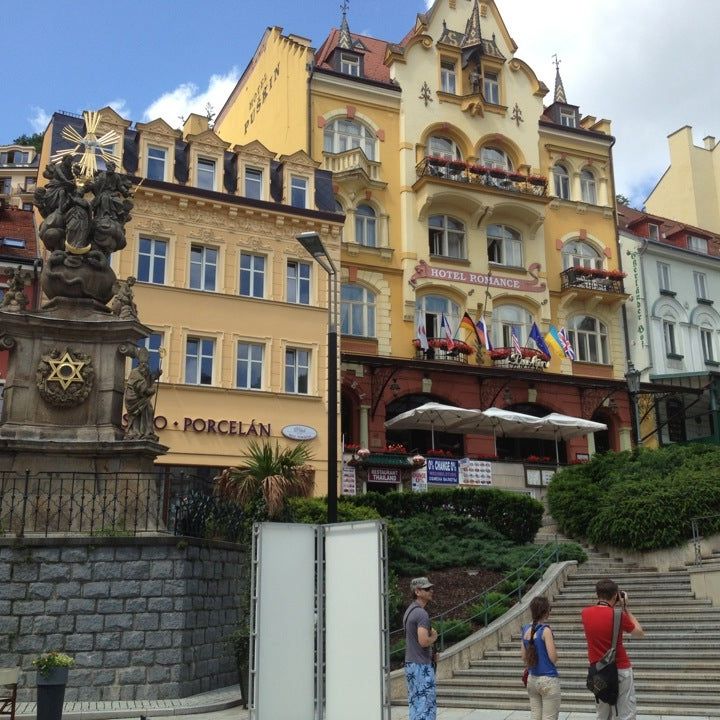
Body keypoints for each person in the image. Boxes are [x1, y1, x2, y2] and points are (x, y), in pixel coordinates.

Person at [581, 578, 645, 720]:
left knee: (603, 714)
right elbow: (640, 633)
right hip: (620, 668)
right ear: (616, 595)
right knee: (625, 714)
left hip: (598, 670)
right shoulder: (618, 615)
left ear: (597, 594)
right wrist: (625, 607)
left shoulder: (585, 613)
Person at [403, 576, 438, 720]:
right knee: (426, 706)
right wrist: (434, 637)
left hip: (411, 664)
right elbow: (423, 641)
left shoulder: (409, 611)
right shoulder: (421, 613)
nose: (431, 591)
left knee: (416, 704)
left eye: (431, 588)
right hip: (421, 666)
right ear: (417, 592)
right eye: (427, 589)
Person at [522, 596, 560, 720]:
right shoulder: (545, 631)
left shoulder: (525, 630)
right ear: (545, 612)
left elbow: (523, 656)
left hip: (532, 679)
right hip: (548, 679)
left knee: (535, 717)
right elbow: (553, 658)